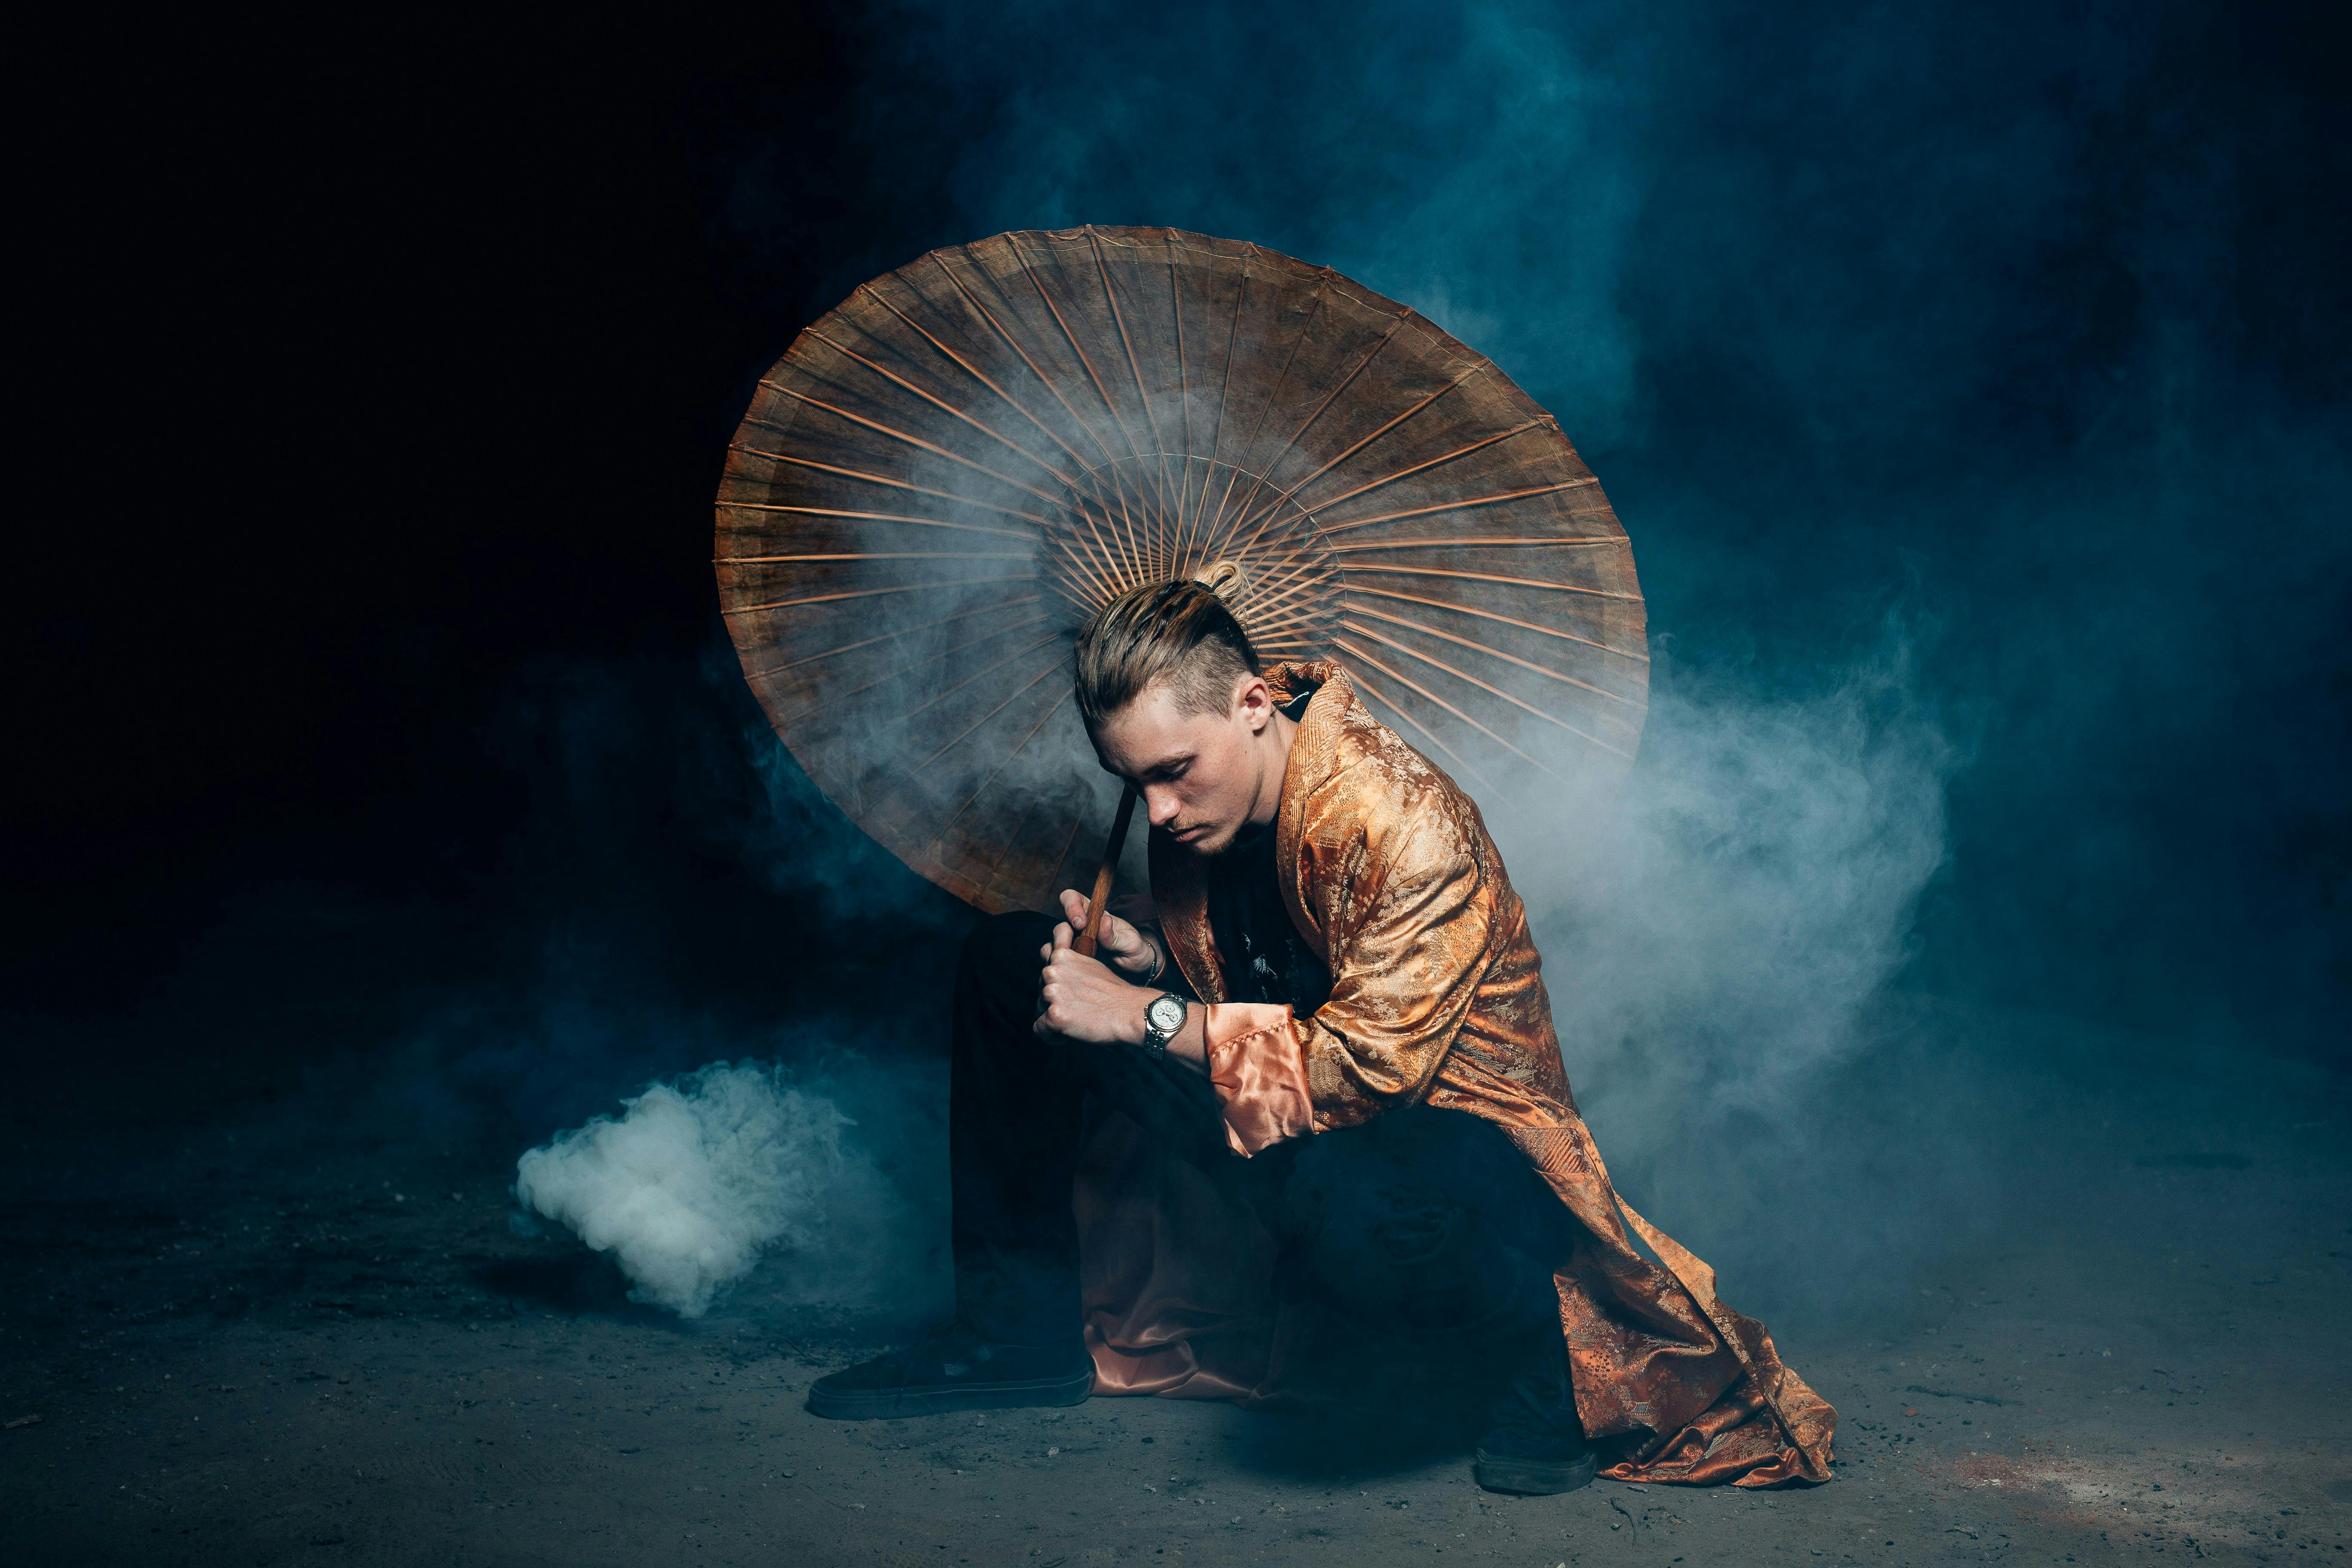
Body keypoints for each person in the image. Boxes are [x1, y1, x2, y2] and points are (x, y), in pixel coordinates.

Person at [807, 564, 1836, 1493]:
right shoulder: (1213, 800)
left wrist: (1142, 1014)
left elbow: (1361, 1076)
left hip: (1450, 1149)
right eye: (1134, 784)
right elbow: (1262, 980)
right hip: (1289, 1109)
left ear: (1254, 703)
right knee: (1007, 963)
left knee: (1348, 1216)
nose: (1158, 813)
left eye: (1173, 771)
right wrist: (1145, 965)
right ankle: (1012, 1335)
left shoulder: (1408, 828)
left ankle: (1540, 1352)